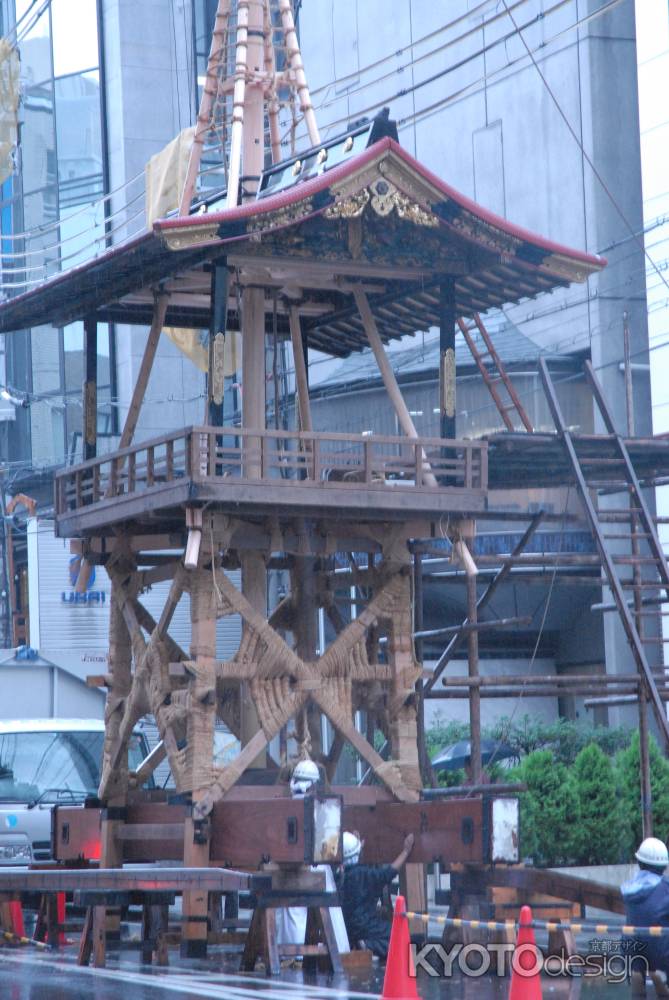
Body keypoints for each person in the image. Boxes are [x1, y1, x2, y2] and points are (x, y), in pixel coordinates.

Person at [275, 758, 349, 957]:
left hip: (288, 869)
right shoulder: (324, 806)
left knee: (291, 912)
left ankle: (292, 954)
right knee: (325, 909)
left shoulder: (281, 807)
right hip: (317, 870)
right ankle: (336, 950)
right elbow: (330, 849)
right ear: (315, 784)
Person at [337, 829, 415, 959]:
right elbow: (388, 873)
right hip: (365, 926)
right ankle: (368, 945)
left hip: (347, 927)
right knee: (401, 938)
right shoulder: (364, 874)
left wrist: (357, 846)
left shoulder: (340, 876)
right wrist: (406, 851)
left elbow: (350, 857)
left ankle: (363, 944)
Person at [621, 836, 669, 983]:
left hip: (631, 952)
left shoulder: (629, 887)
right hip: (661, 954)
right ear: (664, 865)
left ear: (639, 862)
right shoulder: (665, 888)